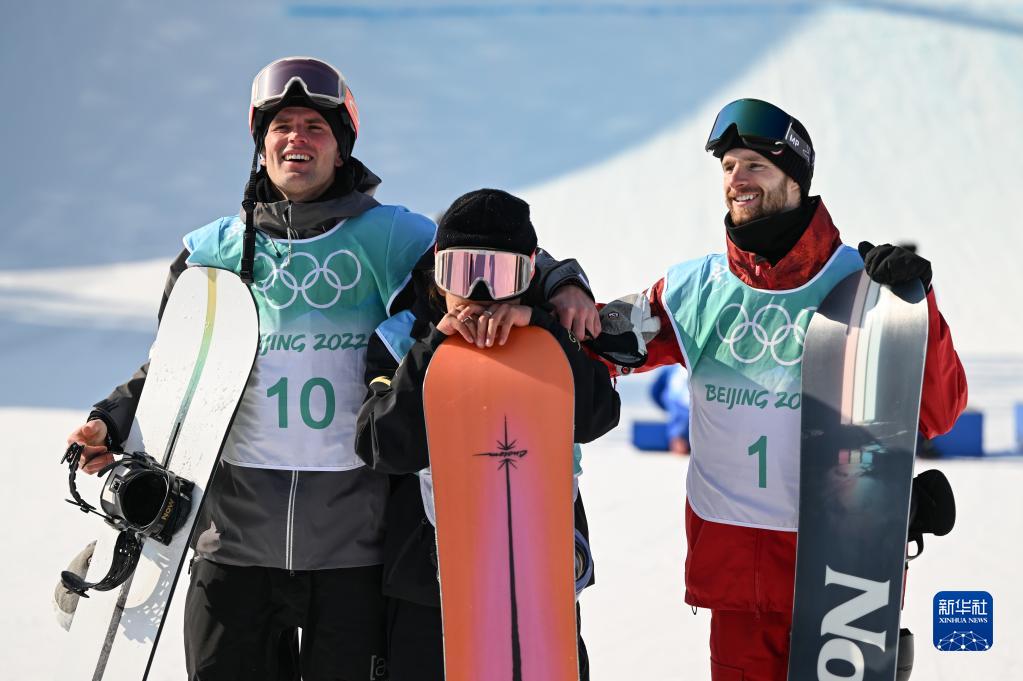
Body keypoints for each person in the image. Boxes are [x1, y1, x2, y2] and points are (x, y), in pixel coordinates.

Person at [64, 58, 598, 681]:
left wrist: (563, 280)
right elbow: (173, 366)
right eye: (282, 126)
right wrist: (110, 418)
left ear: (341, 147)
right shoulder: (211, 251)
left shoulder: (393, 236)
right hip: (232, 540)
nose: (298, 138)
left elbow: (487, 249)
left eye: (316, 127)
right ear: (261, 145)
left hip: (353, 547)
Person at [590, 98, 968, 681]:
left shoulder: (863, 285)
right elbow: (594, 339)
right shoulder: (693, 289)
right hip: (737, 582)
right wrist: (544, 290)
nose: (736, 180)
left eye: (755, 166)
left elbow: (939, 412)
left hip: (846, 581)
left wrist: (919, 306)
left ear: (795, 178)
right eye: (728, 167)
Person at [353, 189, 620, 681]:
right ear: (437, 271)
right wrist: (434, 349)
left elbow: (598, 415)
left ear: (528, 276)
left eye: (500, 275)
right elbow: (381, 444)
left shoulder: (549, 334)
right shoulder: (401, 339)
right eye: (460, 272)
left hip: (539, 573)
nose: (478, 293)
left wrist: (543, 328)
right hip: (430, 582)